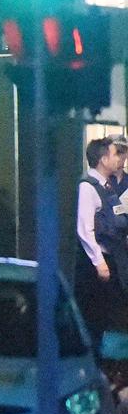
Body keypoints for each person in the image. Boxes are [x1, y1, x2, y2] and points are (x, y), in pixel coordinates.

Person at [75, 136, 128, 345]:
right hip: (96, 265)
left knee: (108, 314)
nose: (120, 159)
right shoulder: (88, 187)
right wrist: (99, 263)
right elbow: (84, 228)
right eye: (116, 154)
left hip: (112, 257)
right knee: (95, 315)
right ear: (103, 159)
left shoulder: (107, 186)